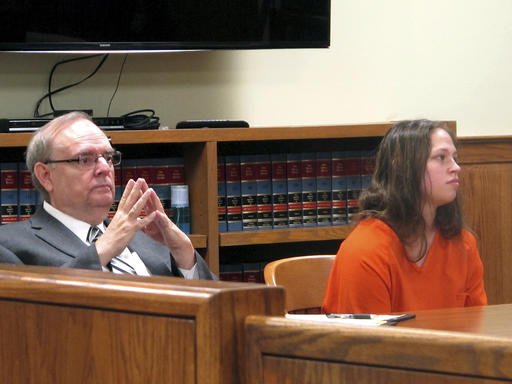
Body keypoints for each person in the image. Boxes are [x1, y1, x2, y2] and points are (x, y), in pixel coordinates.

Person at [0, 111, 215, 280]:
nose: (105, 168)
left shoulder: (149, 239)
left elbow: (217, 314)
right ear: (45, 175)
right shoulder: (9, 246)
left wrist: (185, 254)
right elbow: (35, 318)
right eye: (84, 159)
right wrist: (102, 250)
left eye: (108, 157)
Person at [322, 119, 487, 314]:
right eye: (441, 157)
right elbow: (365, 343)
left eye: (455, 158)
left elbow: (478, 331)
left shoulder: (464, 244)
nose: (456, 167)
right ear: (403, 167)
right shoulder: (365, 250)